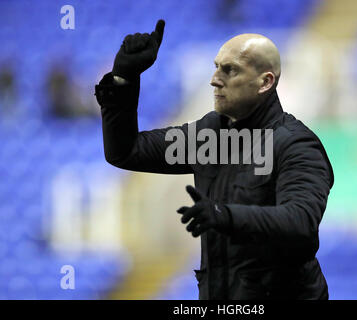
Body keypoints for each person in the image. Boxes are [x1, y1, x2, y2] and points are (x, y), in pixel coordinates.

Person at [95, 20, 334, 300]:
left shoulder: (296, 145)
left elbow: (301, 222)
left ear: (265, 82)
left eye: (229, 70)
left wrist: (225, 215)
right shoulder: (211, 135)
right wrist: (124, 78)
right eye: (216, 66)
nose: (214, 79)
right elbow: (126, 151)